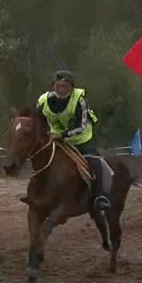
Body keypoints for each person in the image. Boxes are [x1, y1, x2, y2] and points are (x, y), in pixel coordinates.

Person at [35, 70, 112, 212]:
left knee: (93, 161)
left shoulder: (80, 99)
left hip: (81, 138)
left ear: (71, 87)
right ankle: (36, 192)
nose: (61, 89)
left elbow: (81, 125)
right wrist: (46, 135)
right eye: (58, 86)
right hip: (55, 137)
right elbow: (38, 123)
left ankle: (100, 196)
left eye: (65, 86)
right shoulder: (42, 101)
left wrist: (63, 135)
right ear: (53, 86)